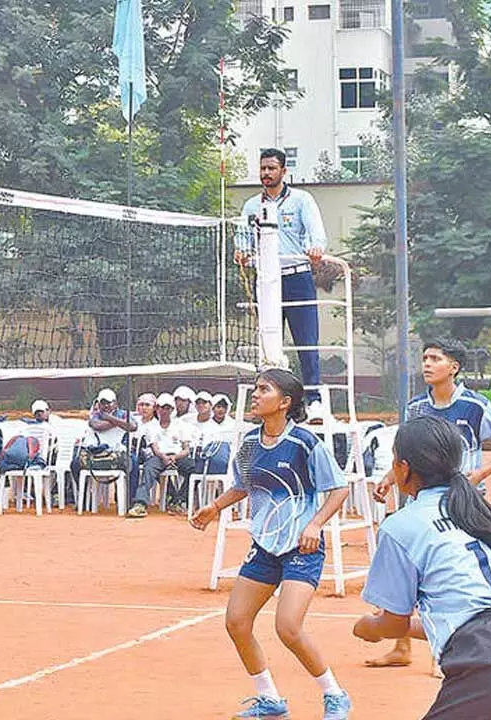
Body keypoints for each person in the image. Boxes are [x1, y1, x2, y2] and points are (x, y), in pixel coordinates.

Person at [190, 369, 352, 720]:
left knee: (288, 628)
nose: (255, 395)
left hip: (302, 548)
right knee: (236, 622)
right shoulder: (249, 443)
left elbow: (339, 488)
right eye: (256, 389)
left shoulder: (305, 444)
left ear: (285, 402)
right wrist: (215, 507)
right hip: (264, 547)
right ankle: (270, 701)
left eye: (264, 390)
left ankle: (335, 695)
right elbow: (243, 485)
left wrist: (315, 524)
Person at [354, 415, 491, 718]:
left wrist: (370, 628)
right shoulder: (479, 510)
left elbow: (394, 624)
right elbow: (476, 614)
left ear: (404, 468)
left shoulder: (401, 525)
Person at [367, 339, 491, 670]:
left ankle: (448, 647)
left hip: (462, 501)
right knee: (411, 569)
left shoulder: (475, 405)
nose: (427, 363)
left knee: (450, 571)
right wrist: (389, 478)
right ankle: (402, 646)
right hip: (422, 499)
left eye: (436, 358)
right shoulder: (417, 406)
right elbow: (404, 452)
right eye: (424, 358)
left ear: (454, 367)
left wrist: (479, 473)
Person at [236, 148, 329, 422]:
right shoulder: (251, 206)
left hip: (297, 276)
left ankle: (313, 401)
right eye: (263, 168)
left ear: (283, 171)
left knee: (307, 343)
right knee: (268, 345)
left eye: (271, 168)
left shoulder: (302, 200)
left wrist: (315, 248)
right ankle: (267, 403)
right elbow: (242, 240)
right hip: (265, 281)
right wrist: (240, 252)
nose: (266, 173)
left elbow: (317, 235)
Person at [130, 393, 193, 517]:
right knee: (149, 469)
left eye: (167, 408)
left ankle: (179, 500)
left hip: (178, 456)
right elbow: (155, 448)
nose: (164, 411)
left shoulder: (180, 425)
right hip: (159, 456)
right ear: (156, 409)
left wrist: (175, 457)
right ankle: (140, 504)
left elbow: (186, 449)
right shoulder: (151, 427)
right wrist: (163, 457)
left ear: (172, 409)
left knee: (194, 469)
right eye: (161, 407)